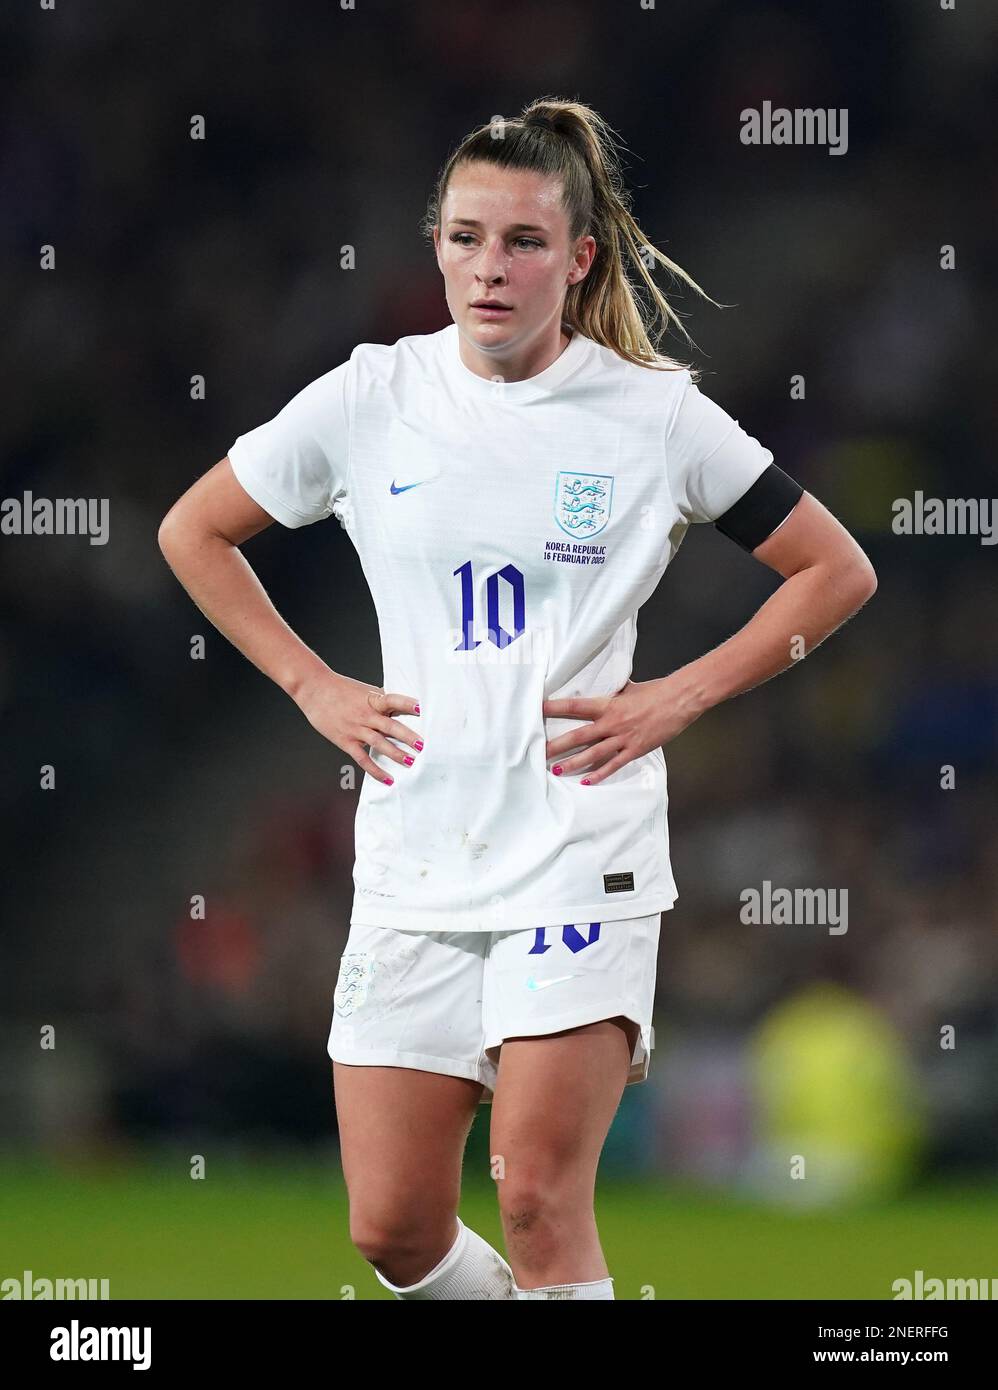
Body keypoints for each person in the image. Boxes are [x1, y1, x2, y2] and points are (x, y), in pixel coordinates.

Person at [158, 96, 877, 1300]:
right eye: (463, 237)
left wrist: (679, 695)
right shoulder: (368, 395)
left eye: (524, 241)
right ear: (434, 243)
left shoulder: (652, 416)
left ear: (577, 256)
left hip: (575, 847)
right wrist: (309, 681)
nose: (489, 267)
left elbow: (835, 568)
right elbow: (194, 530)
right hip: (415, 848)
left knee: (538, 1199)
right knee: (390, 1228)